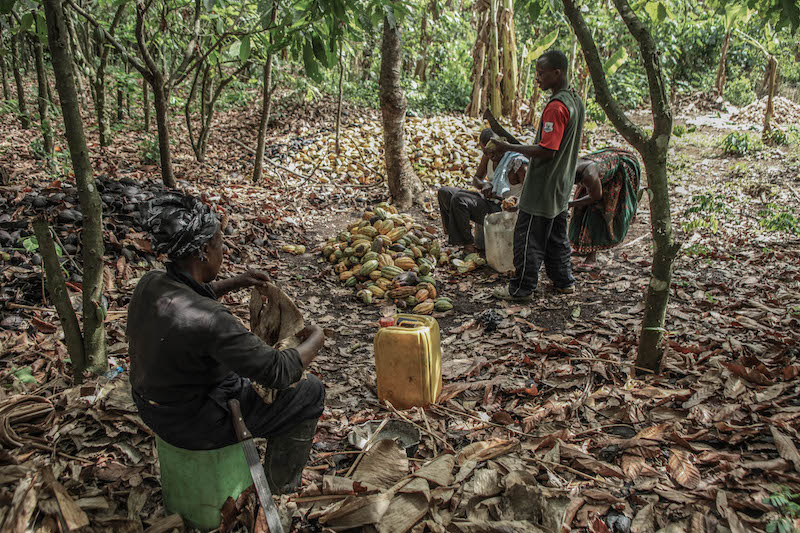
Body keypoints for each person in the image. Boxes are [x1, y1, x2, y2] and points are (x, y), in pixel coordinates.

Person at [127, 193, 326, 494]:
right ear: (204, 251)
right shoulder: (210, 320)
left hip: (151, 406)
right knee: (309, 392)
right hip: (192, 424)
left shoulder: (151, 283)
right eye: (220, 244)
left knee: (237, 369)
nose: (224, 250)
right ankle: (281, 487)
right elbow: (280, 371)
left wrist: (238, 281)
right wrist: (317, 337)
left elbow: (191, 295)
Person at [490, 49, 586, 301]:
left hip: (543, 186)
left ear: (558, 73)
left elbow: (547, 151)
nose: (537, 79)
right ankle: (564, 281)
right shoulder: (575, 100)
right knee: (556, 236)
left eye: (542, 74)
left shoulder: (556, 107)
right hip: (561, 186)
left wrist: (508, 147)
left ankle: (522, 288)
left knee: (528, 237)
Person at [438, 128, 528, 253]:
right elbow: (476, 178)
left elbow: (532, 193)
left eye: (493, 152)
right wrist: (484, 185)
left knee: (459, 200)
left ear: (502, 145)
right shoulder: (488, 157)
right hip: (489, 201)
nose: (490, 156)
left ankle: (469, 247)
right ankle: (455, 237)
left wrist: (516, 203)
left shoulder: (517, 163)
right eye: (486, 152)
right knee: (444, 193)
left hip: (505, 212)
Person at [569, 148, 642, 267]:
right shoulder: (570, 167)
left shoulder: (589, 175)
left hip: (617, 173)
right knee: (580, 208)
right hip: (598, 175)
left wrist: (570, 204)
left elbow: (595, 197)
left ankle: (591, 257)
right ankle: (581, 247)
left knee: (596, 213)